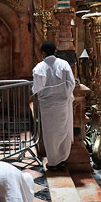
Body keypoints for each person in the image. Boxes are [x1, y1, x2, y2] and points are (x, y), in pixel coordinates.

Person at [32, 41, 75, 170]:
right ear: (55, 51)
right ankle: (62, 160)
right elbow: (71, 83)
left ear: (43, 53)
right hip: (63, 104)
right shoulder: (64, 64)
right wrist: (65, 94)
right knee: (63, 131)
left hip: (47, 106)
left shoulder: (39, 67)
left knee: (50, 134)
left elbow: (37, 87)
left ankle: (53, 162)